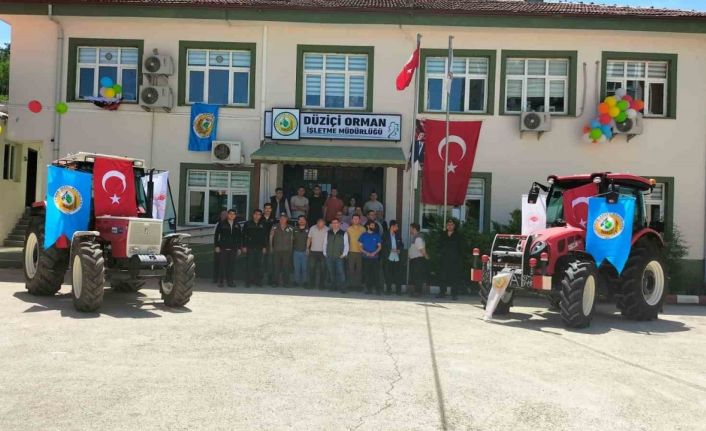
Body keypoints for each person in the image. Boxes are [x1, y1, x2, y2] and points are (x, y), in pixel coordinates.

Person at [437, 218, 465, 300]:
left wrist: (459, 257)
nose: (449, 226)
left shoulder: (458, 235)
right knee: (442, 276)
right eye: (448, 224)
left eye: (451, 225)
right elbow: (439, 245)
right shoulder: (442, 234)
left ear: (454, 226)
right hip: (444, 259)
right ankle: (442, 292)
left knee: (454, 277)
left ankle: (454, 294)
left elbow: (461, 248)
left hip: (455, 260)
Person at [213, 209, 242, 287]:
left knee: (231, 266)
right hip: (223, 247)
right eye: (230, 214)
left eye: (233, 214)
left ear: (235, 215)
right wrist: (217, 246)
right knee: (222, 265)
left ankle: (230, 281)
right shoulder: (221, 223)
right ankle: (221, 282)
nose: (232, 215)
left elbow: (239, 237)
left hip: (233, 248)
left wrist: (239, 248)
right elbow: (216, 235)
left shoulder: (237, 225)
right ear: (228, 215)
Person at [242, 209, 267, 287]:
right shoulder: (247, 223)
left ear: (261, 216)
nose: (257, 216)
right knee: (249, 265)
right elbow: (243, 235)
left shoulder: (263, 224)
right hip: (250, 247)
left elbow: (264, 236)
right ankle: (248, 281)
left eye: (259, 214)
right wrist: (244, 246)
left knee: (259, 265)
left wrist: (264, 247)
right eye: (256, 214)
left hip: (259, 247)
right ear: (253, 215)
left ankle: (258, 281)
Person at [323, 218, 349, 293]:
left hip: (339, 256)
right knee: (331, 272)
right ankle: (333, 286)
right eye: (333, 223)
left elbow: (346, 244)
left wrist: (344, 254)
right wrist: (325, 253)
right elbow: (325, 243)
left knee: (341, 272)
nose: (334, 224)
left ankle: (343, 287)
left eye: (336, 223)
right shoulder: (328, 233)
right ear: (331, 224)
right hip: (329, 256)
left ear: (339, 224)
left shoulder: (343, 233)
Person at [270, 214, 294, 287]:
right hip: (277, 250)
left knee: (286, 267)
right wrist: (271, 247)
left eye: (284, 219)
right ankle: (275, 282)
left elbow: (292, 239)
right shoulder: (275, 227)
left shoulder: (290, 228)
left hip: (287, 250)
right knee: (276, 266)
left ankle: (286, 282)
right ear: (279, 219)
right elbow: (271, 237)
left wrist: (291, 248)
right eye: (281, 219)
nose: (282, 220)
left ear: (286, 219)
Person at [359, 220, 382, 295]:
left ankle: (377, 290)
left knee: (376, 274)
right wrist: (367, 253)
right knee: (367, 274)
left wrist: (374, 253)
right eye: (372, 225)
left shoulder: (377, 235)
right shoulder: (363, 235)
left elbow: (379, 247)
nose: (373, 227)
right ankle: (368, 289)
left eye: (374, 225)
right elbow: (360, 247)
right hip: (365, 258)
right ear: (368, 226)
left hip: (375, 258)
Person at [381, 220, 403, 295]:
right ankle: (388, 290)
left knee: (398, 274)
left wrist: (399, 250)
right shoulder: (385, 234)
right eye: (396, 226)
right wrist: (390, 249)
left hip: (397, 257)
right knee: (388, 274)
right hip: (388, 257)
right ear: (392, 226)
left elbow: (401, 244)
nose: (397, 228)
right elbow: (382, 245)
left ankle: (398, 291)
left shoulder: (398, 234)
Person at [407, 223, 428, 297]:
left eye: (410, 228)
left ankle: (418, 292)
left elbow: (421, 249)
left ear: (414, 229)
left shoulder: (418, 238)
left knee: (417, 276)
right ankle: (416, 292)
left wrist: (426, 256)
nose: (410, 230)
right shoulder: (416, 237)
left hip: (418, 260)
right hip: (416, 260)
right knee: (416, 276)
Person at [307, 218, 328, 290]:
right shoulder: (312, 228)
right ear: (317, 223)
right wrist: (307, 248)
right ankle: (311, 284)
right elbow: (309, 239)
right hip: (313, 251)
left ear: (324, 224)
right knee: (312, 268)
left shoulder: (327, 229)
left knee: (323, 269)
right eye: (319, 224)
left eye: (322, 224)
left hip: (323, 252)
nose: (321, 226)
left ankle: (322, 285)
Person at [346, 214, 365, 291]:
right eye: (354, 219)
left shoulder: (363, 229)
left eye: (357, 219)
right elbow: (346, 241)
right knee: (351, 269)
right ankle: (351, 285)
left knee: (359, 270)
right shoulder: (348, 229)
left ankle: (358, 286)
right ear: (352, 220)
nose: (356, 220)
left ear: (360, 220)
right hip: (351, 251)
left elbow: (365, 241)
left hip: (360, 252)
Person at [292, 215, 309, 287]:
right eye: (300, 220)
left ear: (305, 221)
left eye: (303, 219)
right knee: (296, 268)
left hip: (305, 252)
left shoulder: (309, 230)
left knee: (305, 268)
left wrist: (308, 249)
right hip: (296, 251)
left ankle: (305, 282)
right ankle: (296, 281)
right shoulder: (294, 229)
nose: (301, 221)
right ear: (298, 221)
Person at [261, 203, 276, 284]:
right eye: (266, 208)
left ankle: (270, 279)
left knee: (270, 261)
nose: (267, 210)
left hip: (271, 243)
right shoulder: (260, 218)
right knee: (261, 261)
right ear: (264, 209)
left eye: (269, 208)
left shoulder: (274, 219)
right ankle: (260, 278)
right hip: (261, 243)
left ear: (271, 209)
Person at [212, 209, 228, 283]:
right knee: (217, 263)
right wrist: (216, 246)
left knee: (226, 263)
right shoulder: (218, 224)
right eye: (223, 215)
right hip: (218, 246)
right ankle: (215, 278)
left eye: (225, 215)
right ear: (220, 216)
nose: (224, 216)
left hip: (226, 247)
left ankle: (225, 278)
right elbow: (215, 236)